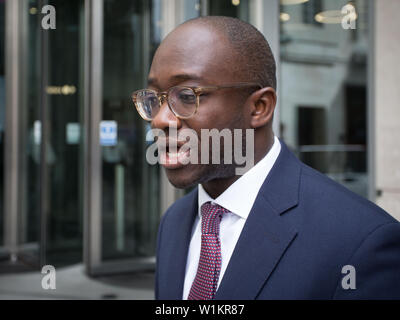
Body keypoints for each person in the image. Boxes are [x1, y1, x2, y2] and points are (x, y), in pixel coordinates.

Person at [132, 16, 400, 299]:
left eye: (186, 95)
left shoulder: (361, 241)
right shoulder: (174, 222)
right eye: (155, 99)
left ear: (259, 107)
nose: (160, 119)